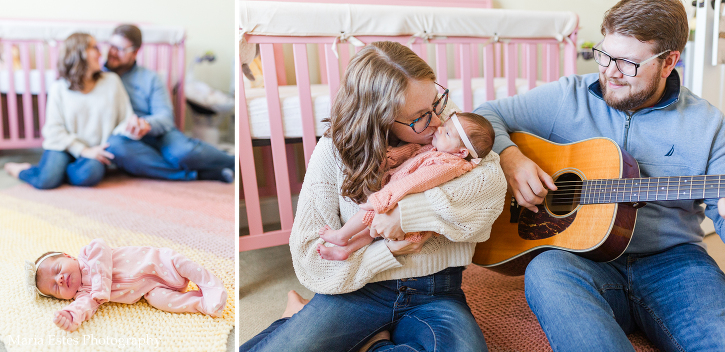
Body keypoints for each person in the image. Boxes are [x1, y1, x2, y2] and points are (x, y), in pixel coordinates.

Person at [475, 0, 725, 350]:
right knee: (545, 269)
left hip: (675, 264)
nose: (610, 71)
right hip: (581, 260)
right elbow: (485, 114)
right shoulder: (567, 96)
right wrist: (510, 158)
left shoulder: (708, 126)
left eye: (627, 63)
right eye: (604, 55)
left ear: (669, 62)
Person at [240, 41, 506, 352]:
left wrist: (406, 215)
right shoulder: (332, 152)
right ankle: (300, 321)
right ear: (380, 117)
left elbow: (490, 189)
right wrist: (383, 254)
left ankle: (368, 341)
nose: (437, 120)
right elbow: (309, 256)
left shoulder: (450, 129)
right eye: (421, 115)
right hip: (359, 289)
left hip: (437, 291)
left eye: (436, 102)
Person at [318, 111, 496, 261]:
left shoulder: (449, 165)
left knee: (368, 212)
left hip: (401, 206)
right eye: (445, 125)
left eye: (447, 133)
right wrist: (391, 156)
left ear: (462, 152)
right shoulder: (438, 150)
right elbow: (413, 152)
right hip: (397, 200)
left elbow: (415, 182)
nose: (439, 128)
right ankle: (345, 250)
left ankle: (341, 236)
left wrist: (384, 198)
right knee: (369, 232)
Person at [103, 24, 235, 183]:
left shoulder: (150, 78)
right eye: (111, 46)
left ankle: (234, 162)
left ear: (136, 51)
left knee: (183, 153)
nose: (113, 52)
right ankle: (199, 175)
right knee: (114, 147)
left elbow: (165, 117)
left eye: (120, 49)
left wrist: (145, 123)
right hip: (124, 138)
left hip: (158, 132)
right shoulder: (98, 76)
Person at [3, 33, 134, 189]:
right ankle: (21, 170)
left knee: (90, 174)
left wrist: (112, 142)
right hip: (64, 146)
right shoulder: (59, 88)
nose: (101, 53)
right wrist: (82, 150)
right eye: (95, 48)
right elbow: (53, 129)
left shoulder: (112, 81)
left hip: (95, 149)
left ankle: (56, 172)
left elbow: (125, 119)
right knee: (46, 181)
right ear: (78, 52)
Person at [24, 238, 228, 332]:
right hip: (151, 289)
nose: (59, 279)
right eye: (55, 288)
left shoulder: (89, 253)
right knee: (159, 301)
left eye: (57, 269)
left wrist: (100, 288)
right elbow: (83, 307)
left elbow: (101, 248)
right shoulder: (85, 295)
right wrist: (70, 315)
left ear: (68, 256)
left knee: (185, 266)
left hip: (160, 261)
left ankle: (211, 287)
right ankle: (202, 304)